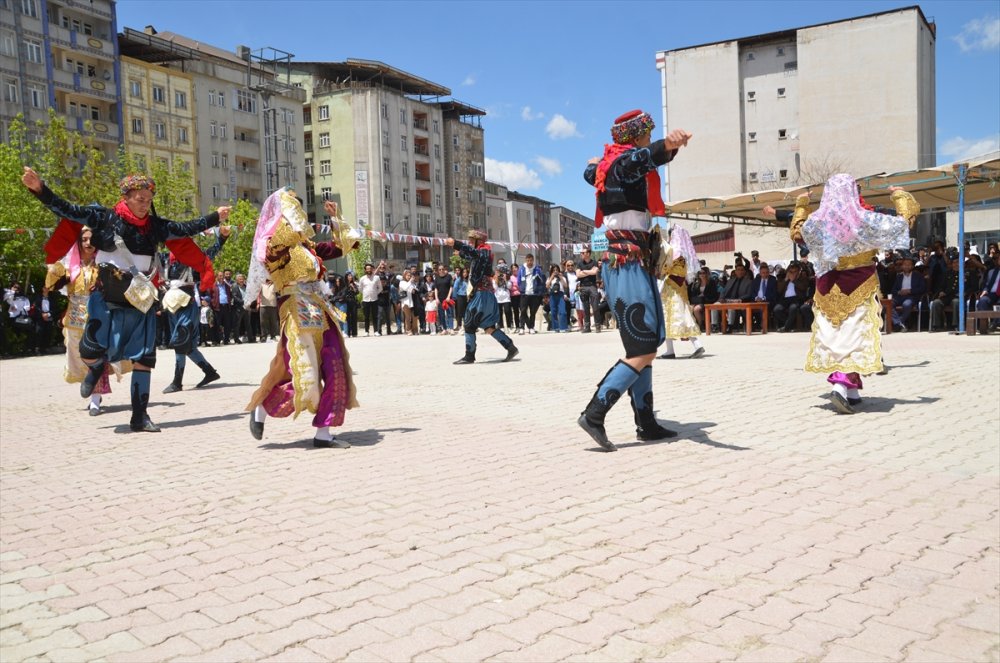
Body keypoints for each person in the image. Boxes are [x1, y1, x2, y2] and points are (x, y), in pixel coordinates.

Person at [22, 166, 229, 432]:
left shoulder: (154, 226)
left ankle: (140, 416)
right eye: (139, 198)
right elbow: (67, 209)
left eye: (148, 199)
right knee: (90, 349)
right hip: (106, 294)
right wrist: (40, 189)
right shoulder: (103, 217)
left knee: (144, 357)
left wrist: (214, 217)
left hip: (140, 298)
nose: (145, 204)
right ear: (126, 196)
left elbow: (184, 228)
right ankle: (96, 368)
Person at [579, 109, 691, 451]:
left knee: (644, 346)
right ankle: (595, 413)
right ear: (636, 136)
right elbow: (638, 161)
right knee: (643, 346)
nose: (648, 137)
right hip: (625, 262)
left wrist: (591, 165)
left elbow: (592, 173)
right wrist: (663, 148)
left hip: (633, 262)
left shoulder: (607, 166)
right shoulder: (621, 164)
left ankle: (646, 422)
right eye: (647, 133)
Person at [244, 194, 359, 448]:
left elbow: (343, 246)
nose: (299, 212)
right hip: (296, 310)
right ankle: (262, 409)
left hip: (319, 309)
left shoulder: (308, 247)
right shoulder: (272, 245)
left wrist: (335, 218)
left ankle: (323, 433)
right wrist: (287, 213)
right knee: (304, 374)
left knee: (335, 367)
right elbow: (286, 242)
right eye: (293, 207)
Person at [796, 174, 918, 414]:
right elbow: (904, 222)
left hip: (827, 286)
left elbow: (797, 232)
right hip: (859, 283)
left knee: (835, 336)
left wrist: (801, 204)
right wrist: (899, 194)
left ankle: (852, 392)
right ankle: (841, 386)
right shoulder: (864, 220)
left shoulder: (817, 222)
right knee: (854, 337)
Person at [43, 226, 124, 415]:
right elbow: (51, 285)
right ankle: (91, 391)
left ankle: (95, 399)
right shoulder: (70, 266)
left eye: (91, 239)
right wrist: (53, 267)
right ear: (78, 242)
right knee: (80, 359)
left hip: (98, 317)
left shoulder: (104, 265)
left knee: (97, 357)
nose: (88, 243)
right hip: (74, 319)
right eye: (84, 240)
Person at [160, 227, 230, 393]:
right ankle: (210, 372)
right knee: (188, 346)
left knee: (180, 341)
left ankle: (177, 382)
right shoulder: (165, 259)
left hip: (187, 305)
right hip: (171, 306)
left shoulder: (193, 258)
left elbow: (210, 253)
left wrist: (222, 238)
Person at [446, 229, 519, 364]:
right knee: (488, 326)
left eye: (472, 240)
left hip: (482, 293)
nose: (469, 242)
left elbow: (474, 254)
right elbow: (471, 256)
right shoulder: (481, 254)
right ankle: (510, 347)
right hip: (484, 293)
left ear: (479, 241)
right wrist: (461, 253)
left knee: (469, 324)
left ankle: (469, 356)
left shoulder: (484, 250)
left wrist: (456, 243)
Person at [657, 225, 705, 359]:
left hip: (671, 289)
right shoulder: (685, 254)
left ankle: (693, 346)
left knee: (674, 316)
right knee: (679, 316)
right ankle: (675, 349)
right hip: (679, 288)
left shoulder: (673, 251)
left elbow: (665, 269)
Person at [890, 251, 927, 332]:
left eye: (908, 265)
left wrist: (910, 291)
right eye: (905, 265)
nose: (906, 266)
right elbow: (893, 290)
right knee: (888, 304)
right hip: (899, 296)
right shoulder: (899, 276)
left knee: (906, 304)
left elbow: (922, 288)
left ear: (912, 266)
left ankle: (899, 323)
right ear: (902, 266)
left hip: (911, 296)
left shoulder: (918, 276)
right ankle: (899, 324)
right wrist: (899, 292)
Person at [773, 261, 813, 333]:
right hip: (785, 299)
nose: (792, 273)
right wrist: (786, 280)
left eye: (794, 271)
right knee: (777, 309)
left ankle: (786, 328)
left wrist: (794, 280)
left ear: (798, 271)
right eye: (791, 271)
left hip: (797, 299)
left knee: (793, 308)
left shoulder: (802, 278)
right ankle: (789, 325)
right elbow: (779, 290)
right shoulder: (785, 279)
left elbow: (803, 287)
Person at [719, 263, 754, 332]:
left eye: (742, 270)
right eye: (738, 270)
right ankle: (715, 325)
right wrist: (721, 298)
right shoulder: (730, 281)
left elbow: (749, 294)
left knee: (731, 308)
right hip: (727, 300)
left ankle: (730, 326)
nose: (740, 272)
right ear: (735, 271)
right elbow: (724, 291)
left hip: (740, 302)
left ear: (744, 271)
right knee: (714, 306)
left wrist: (739, 299)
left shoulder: (749, 282)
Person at [517, 254, 544, 334]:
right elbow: (519, 281)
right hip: (524, 293)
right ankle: (521, 327)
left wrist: (538, 289)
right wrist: (522, 288)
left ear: (533, 260)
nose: (529, 262)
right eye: (528, 260)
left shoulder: (537, 269)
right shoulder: (522, 269)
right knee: (523, 311)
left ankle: (531, 327)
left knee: (533, 312)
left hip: (534, 294)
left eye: (531, 260)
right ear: (526, 260)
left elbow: (541, 280)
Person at [576, 248, 601, 333]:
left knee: (595, 307)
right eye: (581, 253)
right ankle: (587, 327)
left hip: (592, 286)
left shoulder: (594, 262)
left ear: (588, 254)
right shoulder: (579, 263)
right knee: (585, 308)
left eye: (583, 252)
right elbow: (578, 275)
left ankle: (598, 325)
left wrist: (584, 271)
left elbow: (595, 272)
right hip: (583, 287)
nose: (581, 254)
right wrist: (590, 271)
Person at [688, 266, 719, 332]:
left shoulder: (711, 282)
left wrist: (704, 295)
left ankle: (700, 325)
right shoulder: (696, 284)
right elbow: (694, 294)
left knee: (696, 309)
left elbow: (714, 294)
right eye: (700, 273)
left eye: (703, 273)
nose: (702, 275)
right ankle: (692, 325)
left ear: (707, 273)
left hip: (708, 300)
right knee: (690, 308)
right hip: (699, 301)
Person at [750, 262, 778, 331]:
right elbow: (752, 292)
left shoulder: (773, 280)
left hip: (768, 301)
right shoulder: (755, 281)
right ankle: (752, 326)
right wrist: (756, 298)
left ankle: (763, 326)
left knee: (762, 308)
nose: (765, 274)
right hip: (756, 301)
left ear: (769, 272)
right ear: (760, 273)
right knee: (746, 309)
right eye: (763, 273)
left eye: (766, 272)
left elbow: (773, 294)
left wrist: (763, 299)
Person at [359, 262, 382, 336]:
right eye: (367, 269)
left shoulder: (376, 278)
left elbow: (380, 288)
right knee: (366, 316)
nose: (369, 270)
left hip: (374, 299)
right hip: (365, 300)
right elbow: (360, 289)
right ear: (365, 270)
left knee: (375, 316)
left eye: (370, 268)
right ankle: (366, 331)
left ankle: (376, 331)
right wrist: (365, 294)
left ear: (372, 269)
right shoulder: (362, 279)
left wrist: (375, 293)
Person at [546, 264, 569, 332]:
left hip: (560, 295)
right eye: (554, 270)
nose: (555, 271)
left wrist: (561, 277)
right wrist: (551, 277)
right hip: (552, 295)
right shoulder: (550, 278)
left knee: (563, 311)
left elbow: (565, 285)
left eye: (557, 270)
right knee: (553, 312)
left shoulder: (562, 277)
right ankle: (555, 327)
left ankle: (563, 327)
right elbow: (547, 286)